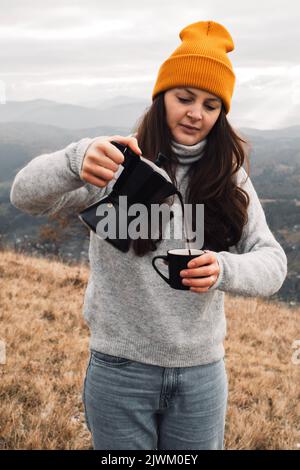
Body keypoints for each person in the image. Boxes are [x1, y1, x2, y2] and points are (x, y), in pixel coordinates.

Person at [10, 20, 287, 450]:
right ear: (161, 98)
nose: (196, 113)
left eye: (211, 105)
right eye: (185, 98)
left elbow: (272, 261)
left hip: (200, 374)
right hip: (119, 369)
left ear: (221, 114)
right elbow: (24, 196)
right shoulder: (118, 160)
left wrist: (224, 268)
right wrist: (73, 161)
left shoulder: (227, 178)